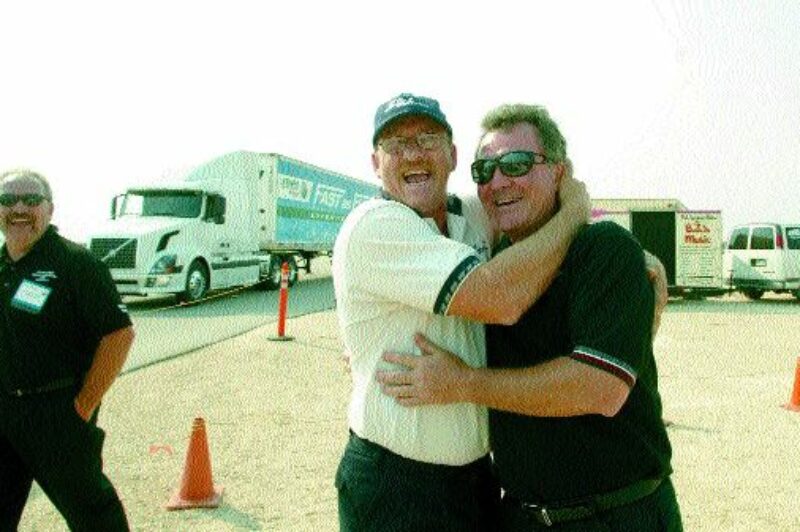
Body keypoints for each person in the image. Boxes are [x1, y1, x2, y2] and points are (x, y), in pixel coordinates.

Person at [378, 104, 682, 530]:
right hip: (520, 517)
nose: (499, 181)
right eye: (484, 171)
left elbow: (599, 388)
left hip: (615, 515)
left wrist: (463, 383)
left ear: (560, 172)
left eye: (517, 164)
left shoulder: (605, 250)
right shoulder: (489, 268)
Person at [332, 93, 592, 531]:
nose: (413, 153)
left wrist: (629, 251)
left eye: (427, 138)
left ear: (452, 156)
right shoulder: (375, 224)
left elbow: (532, 211)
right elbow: (501, 300)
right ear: (376, 164)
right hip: (397, 486)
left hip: (473, 483)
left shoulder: (467, 216)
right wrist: (576, 214)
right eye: (395, 144)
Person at [0, 169, 135, 531]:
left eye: (31, 199)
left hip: (58, 415)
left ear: (50, 209)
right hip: (5, 411)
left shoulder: (76, 263)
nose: (19, 208)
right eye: (7, 200)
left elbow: (119, 334)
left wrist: (82, 406)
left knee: (95, 517)